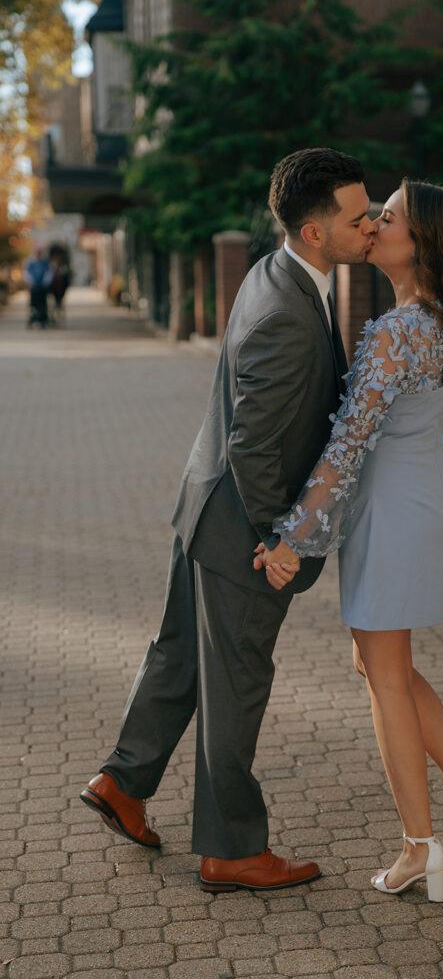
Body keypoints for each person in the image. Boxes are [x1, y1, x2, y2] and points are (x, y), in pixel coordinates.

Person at [81, 148, 377, 892]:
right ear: (315, 232)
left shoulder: (274, 272)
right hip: (241, 528)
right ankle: (232, 848)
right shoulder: (286, 308)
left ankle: (122, 784)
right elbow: (255, 441)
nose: (370, 224)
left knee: (179, 658)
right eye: (357, 215)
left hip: (205, 510)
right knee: (234, 684)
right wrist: (278, 537)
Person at [257, 180, 443, 902]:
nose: (372, 224)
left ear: (420, 242)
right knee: (382, 669)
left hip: (390, 514)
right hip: (419, 504)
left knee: (384, 677)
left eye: (389, 217)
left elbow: (347, 444)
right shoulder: (441, 320)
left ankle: (417, 848)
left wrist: (292, 539)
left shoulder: (399, 330)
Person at [23, 248, 52, 328]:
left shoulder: (45, 262)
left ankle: (43, 319)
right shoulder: (30, 263)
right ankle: (35, 316)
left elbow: (48, 273)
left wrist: (45, 282)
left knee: (43, 304)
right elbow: (27, 273)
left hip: (42, 287)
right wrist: (31, 281)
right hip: (34, 287)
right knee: (34, 303)